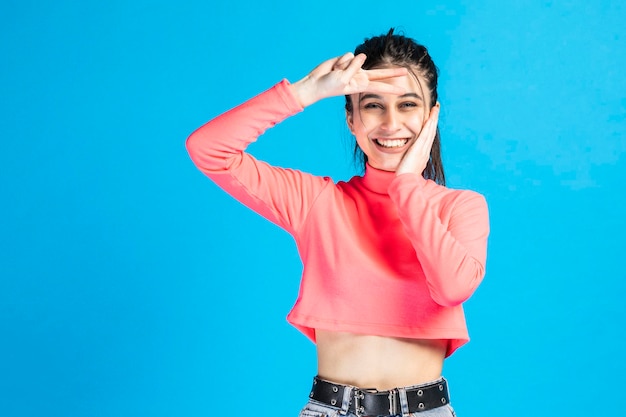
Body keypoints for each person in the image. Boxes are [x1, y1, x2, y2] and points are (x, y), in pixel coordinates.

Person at [186, 28, 489, 417]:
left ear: (432, 116)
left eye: (408, 105)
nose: (391, 123)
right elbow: (209, 150)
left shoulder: (460, 207)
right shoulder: (317, 202)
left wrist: (408, 186)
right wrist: (305, 92)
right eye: (373, 105)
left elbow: (452, 288)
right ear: (351, 118)